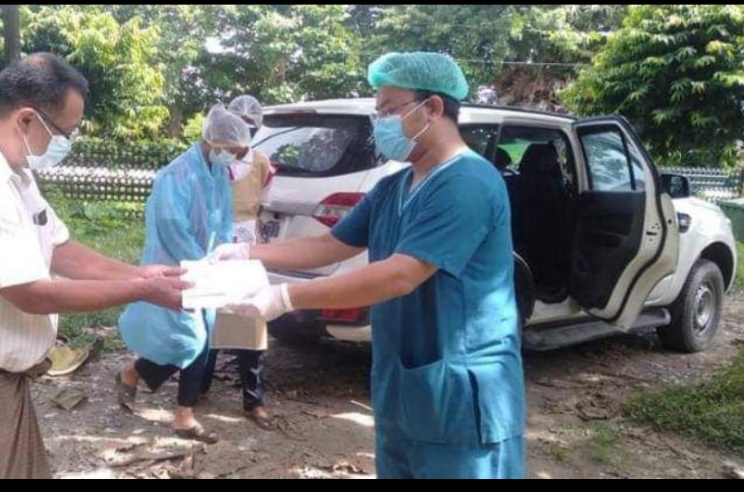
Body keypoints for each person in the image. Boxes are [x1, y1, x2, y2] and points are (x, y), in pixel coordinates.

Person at [212, 52, 526, 479]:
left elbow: (401, 275)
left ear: (433, 107)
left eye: (389, 110)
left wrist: (284, 296)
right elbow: (329, 244)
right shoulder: (394, 186)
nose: (381, 123)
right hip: (404, 385)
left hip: (461, 391)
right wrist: (246, 253)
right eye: (378, 112)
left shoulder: (467, 182)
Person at [0, 52, 189, 479]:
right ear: (27, 119)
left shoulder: (7, 163)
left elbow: (59, 248)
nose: (66, 143)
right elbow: (30, 292)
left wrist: (140, 273)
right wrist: (143, 291)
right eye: (65, 132)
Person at [115, 105, 251, 444]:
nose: (234, 157)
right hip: (174, 265)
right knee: (189, 338)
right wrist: (199, 262)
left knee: (200, 339)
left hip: (205, 265)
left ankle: (174, 407)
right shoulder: (176, 174)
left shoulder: (216, 172)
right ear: (212, 141)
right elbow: (171, 225)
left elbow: (223, 217)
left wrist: (223, 251)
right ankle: (160, 394)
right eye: (232, 150)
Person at [199, 94, 276, 429]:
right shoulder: (212, 160)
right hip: (213, 245)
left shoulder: (261, 164)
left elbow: (266, 206)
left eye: (248, 129)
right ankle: (197, 386)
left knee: (250, 319)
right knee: (209, 316)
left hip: (246, 248)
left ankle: (253, 399)